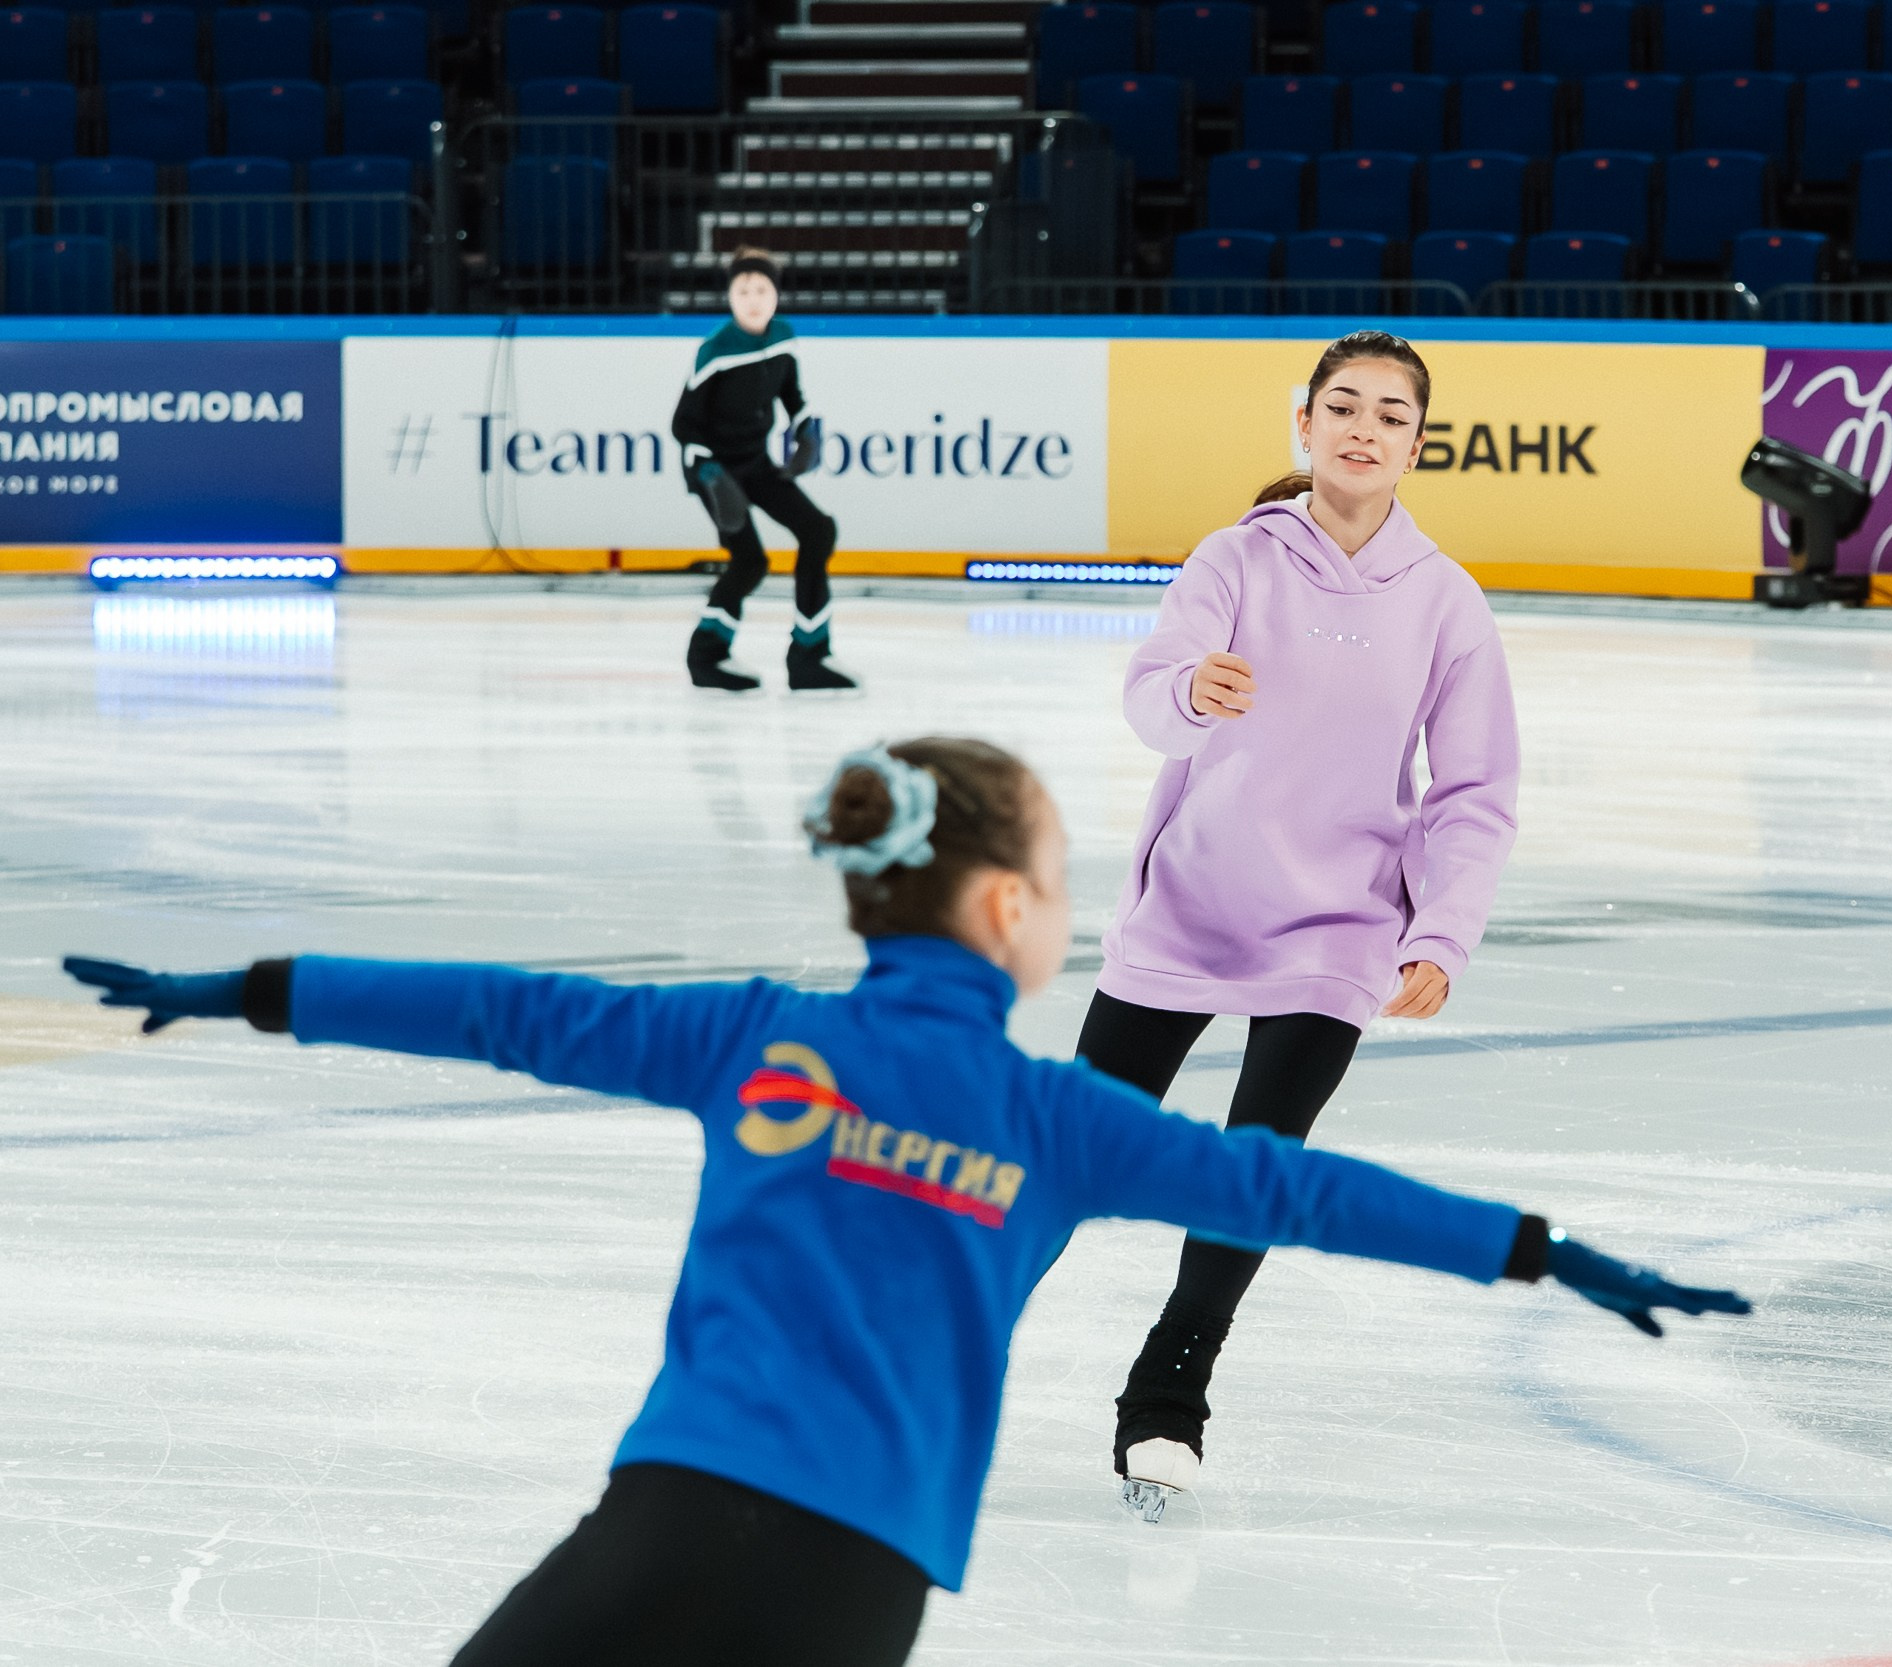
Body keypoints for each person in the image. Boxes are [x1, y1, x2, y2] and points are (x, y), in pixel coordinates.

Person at [63, 736, 1748, 1667]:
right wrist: (1529, 1249)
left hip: (662, 1524)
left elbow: (502, 1008)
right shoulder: (1056, 1115)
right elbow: (1288, 1187)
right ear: (1009, 906)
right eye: (1068, 889)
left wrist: (259, 986)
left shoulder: (750, 1040)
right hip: (858, 1585)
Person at [1078, 331, 1522, 1517]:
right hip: (1194, 896)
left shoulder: (1446, 603)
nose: (1363, 428)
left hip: (1335, 925)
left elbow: (1472, 792)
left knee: (1254, 1163)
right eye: (1343, 406)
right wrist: (1187, 692)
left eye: (1390, 413)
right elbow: (1152, 683)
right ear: (1306, 423)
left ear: (1418, 443)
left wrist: (1440, 933)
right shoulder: (1235, 557)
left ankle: (1168, 1396)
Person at [670, 246, 852, 693]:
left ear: (775, 295)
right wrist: (711, 476)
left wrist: (806, 432)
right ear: (731, 296)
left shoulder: (784, 338)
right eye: (743, 290)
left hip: (754, 462)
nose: (753, 298)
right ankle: (705, 657)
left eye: (762, 289)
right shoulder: (715, 351)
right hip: (713, 470)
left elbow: (793, 395)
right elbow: (683, 426)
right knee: (750, 562)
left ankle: (809, 654)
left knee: (818, 530)